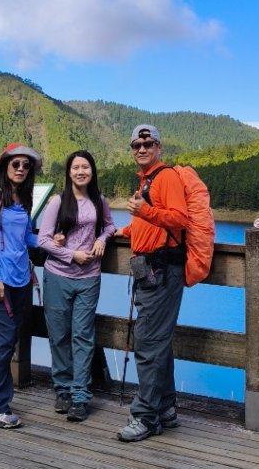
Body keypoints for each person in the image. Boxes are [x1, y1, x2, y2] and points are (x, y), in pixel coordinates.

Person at [115, 124, 188, 442]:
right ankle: (166, 408)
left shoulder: (166, 177)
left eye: (148, 143)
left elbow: (179, 219)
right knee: (158, 341)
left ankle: (145, 416)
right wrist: (121, 232)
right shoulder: (145, 181)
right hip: (150, 271)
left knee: (147, 343)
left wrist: (145, 210)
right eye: (136, 145)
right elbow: (145, 224)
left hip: (162, 272)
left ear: (159, 148)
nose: (142, 149)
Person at [37, 150, 116, 422]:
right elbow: (44, 241)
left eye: (85, 167)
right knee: (59, 335)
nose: (81, 172)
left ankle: (80, 396)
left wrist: (103, 239)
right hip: (58, 275)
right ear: (68, 172)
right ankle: (63, 390)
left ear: (92, 171)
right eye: (75, 168)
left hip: (89, 277)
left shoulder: (99, 200)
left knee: (83, 336)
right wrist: (71, 254)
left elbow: (110, 226)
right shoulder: (58, 202)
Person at [0, 142, 42, 429]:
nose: (21, 169)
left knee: (6, 341)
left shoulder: (22, 199)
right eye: (16, 164)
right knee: (4, 342)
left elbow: (27, 237)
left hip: (20, 279)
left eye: (26, 165)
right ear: (5, 165)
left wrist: (53, 242)